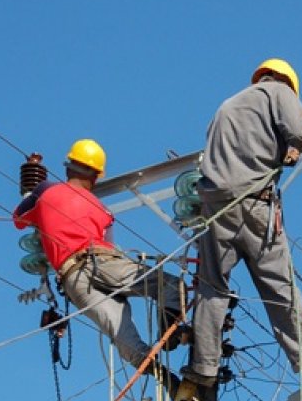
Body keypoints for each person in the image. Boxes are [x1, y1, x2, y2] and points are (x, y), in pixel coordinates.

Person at [182, 59, 302, 387]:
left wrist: (281, 154)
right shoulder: (279, 92)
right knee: (279, 286)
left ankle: (204, 367)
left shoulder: (228, 105)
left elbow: (240, 150)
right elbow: (297, 127)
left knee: (211, 287)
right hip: (254, 204)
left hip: (215, 207)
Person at [13, 138, 185, 369]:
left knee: (121, 334)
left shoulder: (46, 192)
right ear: (96, 176)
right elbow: (109, 250)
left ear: (67, 166)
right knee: (171, 286)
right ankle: (170, 334)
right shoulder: (104, 210)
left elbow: (19, 218)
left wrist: (33, 181)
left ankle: (164, 378)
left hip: (73, 281)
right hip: (102, 262)